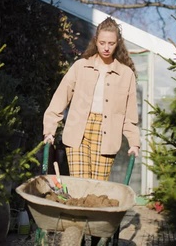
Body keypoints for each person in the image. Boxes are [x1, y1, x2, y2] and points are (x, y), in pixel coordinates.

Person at [43, 17, 140, 182]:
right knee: (81, 184)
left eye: (111, 43)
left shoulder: (126, 75)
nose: (106, 48)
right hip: (78, 133)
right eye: (102, 43)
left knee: (97, 190)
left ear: (118, 43)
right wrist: (49, 131)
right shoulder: (81, 67)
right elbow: (60, 98)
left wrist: (134, 143)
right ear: (96, 41)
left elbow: (129, 115)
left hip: (107, 136)